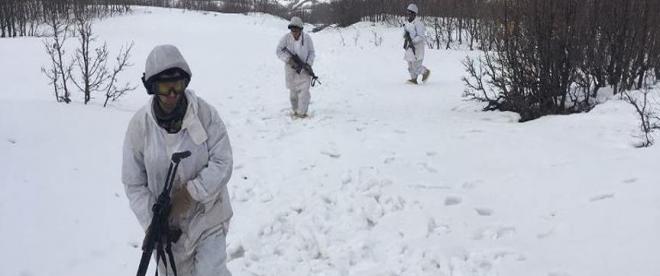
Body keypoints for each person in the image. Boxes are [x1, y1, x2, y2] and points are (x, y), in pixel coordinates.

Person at [122, 44, 233, 276]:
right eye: (165, 86)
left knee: (209, 272)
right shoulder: (139, 127)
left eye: (177, 85)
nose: (172, 94)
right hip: (167, 228)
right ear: (152, 87)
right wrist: (153, 220)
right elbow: (133, 183)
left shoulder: (205, 114)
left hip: (208, 214)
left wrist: (191, 193)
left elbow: (223, 162)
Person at [276, 16, 316, 118]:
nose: (294, 32)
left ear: (300, 29)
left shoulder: (307, 38)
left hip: (304, 70)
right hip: (291, 70)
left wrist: (308, 63)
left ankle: (302, 113)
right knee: (293, 94)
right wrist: (288, 60)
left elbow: (311, 52)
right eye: (292, 29)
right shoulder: (285, 38)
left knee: (304, 93)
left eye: (296, 29)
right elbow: (278, 51)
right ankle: (295, 111)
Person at [403, 3, 430, 84]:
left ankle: (425, 72)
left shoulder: (419, 23)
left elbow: (421, 36)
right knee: (410, 63)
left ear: (414, 13)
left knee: (416, 65)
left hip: (417, 48)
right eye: (408, 13)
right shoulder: (407, 22)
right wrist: (406, 38)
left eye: (410, 13)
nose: (409, 15)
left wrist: (413, 41)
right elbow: (405, 33)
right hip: (409, 47)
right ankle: (413, 79)